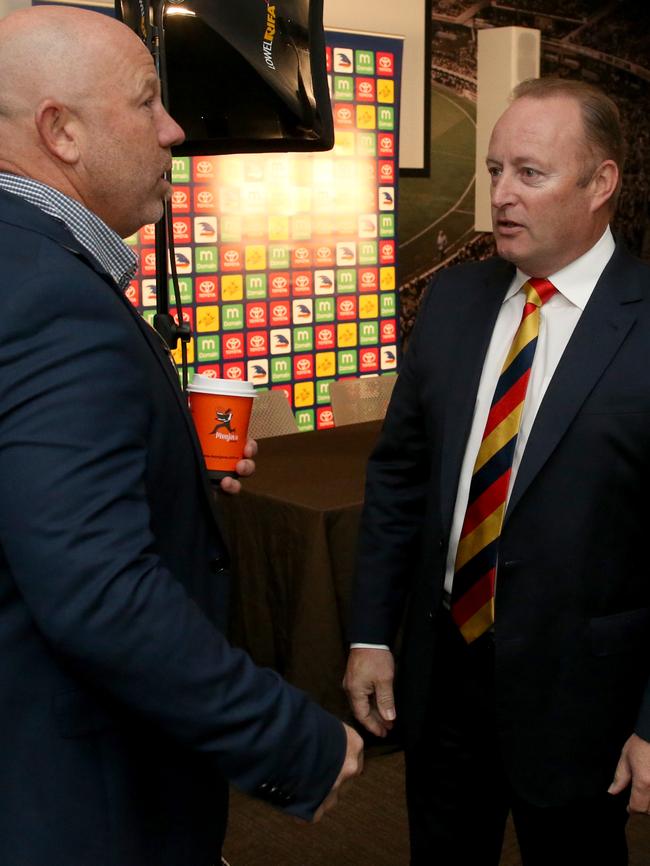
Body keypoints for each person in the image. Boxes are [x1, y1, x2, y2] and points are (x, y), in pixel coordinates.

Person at [0, 6, 362, 866]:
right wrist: (289, 738)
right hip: (79, 802)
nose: (173, 129)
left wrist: (170, 476)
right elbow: (97, 591)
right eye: (147, 102)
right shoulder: (55, 303)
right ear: (63, 132)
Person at [343, 76, 650, 866]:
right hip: (445, 676)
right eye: (493, 172)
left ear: (601, 183)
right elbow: (398, 482)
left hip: (585, 701)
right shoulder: (453, 300)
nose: (500, 197)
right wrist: (373, 635)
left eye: (529, 173)